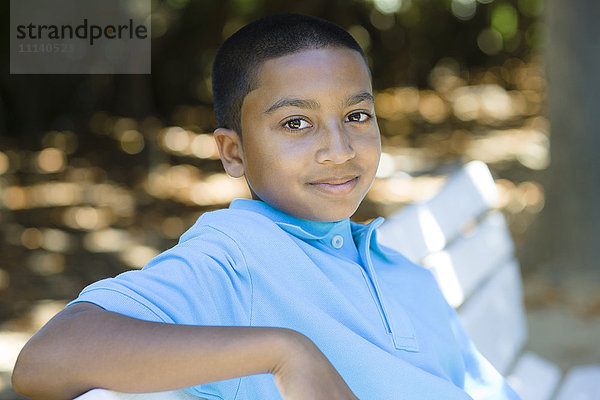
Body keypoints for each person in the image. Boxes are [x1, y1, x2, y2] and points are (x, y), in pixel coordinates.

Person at [12, 13, 521, 400]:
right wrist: (284, 351)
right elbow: (44, 360)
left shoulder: (396, 268)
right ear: (234, 153)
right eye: (296, 123)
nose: (339, 149)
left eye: (357, 114)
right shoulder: (235, 262)